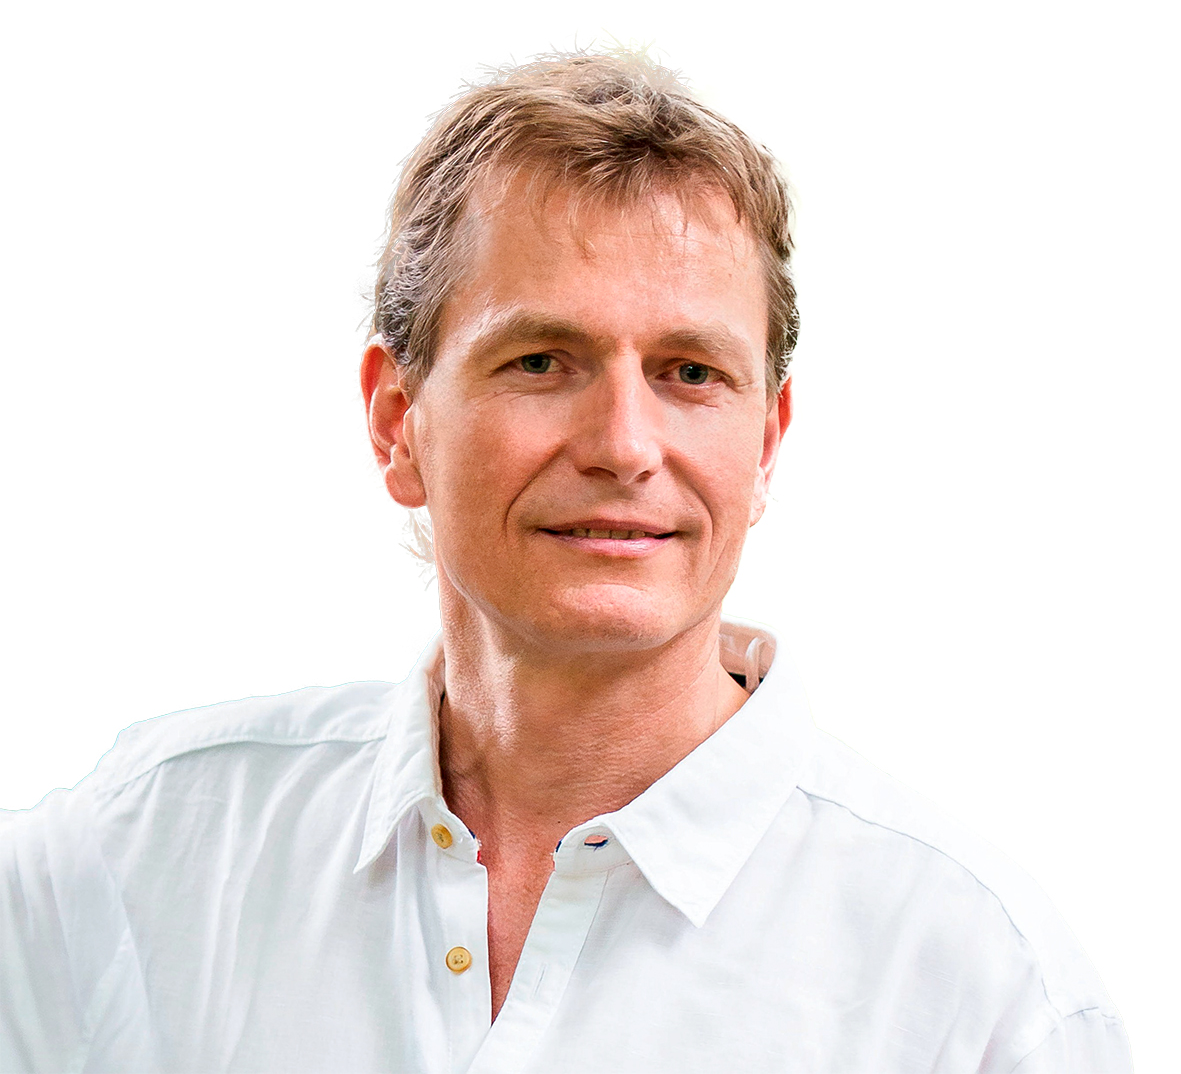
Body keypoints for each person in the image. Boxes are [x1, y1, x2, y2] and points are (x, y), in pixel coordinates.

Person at [0, 52, 1131, 1074]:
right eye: (542, 360)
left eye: (690, 373)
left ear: (765, 443)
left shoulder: (981, 992)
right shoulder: (136, 860)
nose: (624, 446)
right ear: (397, 422)